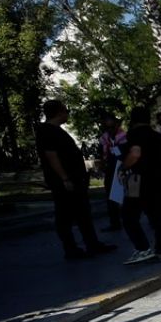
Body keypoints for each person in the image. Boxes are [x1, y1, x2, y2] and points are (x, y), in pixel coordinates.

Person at [35, 99, 117, 260]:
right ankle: (71, 249)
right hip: (65, 181)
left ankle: (91, 243)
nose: (67, 113)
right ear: (59, 112)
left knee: (83, 213)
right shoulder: (47, 131)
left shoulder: (56, 130)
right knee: (65, 214)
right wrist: (64, 178)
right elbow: (52, 156)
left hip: (74, 178)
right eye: (66, 110)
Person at [121, 105, 161, 264]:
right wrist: (158, 162)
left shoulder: (134, 135)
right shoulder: (160, 136)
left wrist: (124, 166)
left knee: (129, 216)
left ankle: (142, 248)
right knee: (160, 217)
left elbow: (135, 154)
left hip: (139, 182)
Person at [98, 113, 127, 232]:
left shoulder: (124, 137)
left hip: (123, 168)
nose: (110, 129)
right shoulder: (104, 139)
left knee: (130, 196)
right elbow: (101, 154)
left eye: (112, 126)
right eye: (107, 127)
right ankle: (115, 223)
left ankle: (131, 220)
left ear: (117, 125)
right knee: (111, 197)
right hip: (110, 169)